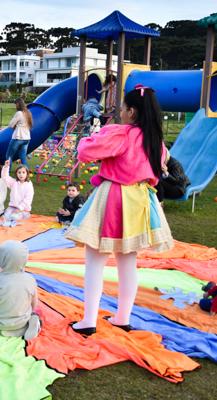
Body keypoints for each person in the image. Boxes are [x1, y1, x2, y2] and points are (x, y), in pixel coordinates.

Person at [63, 85, 173, 335]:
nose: (120, 113)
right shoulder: (156, 141)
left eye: (122, 109)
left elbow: (85, 152)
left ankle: (89, 321)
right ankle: (122, 318)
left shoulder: (121, 133)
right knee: (128, 263)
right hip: (140, 200)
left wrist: (95, 133)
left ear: (131, 111)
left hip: (114, 197)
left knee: (95, 262)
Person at [0, 241, 41, 340]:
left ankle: (6, 330)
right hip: (21, 322)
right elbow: (34, 306)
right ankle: (24, 328)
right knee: (34, 315)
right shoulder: (30, 279)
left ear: (3, 259)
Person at [5, 98, 33, 169]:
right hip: (26, 138)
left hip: (18, 137)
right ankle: (26, 175)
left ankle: (7, 173)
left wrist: (16, 127)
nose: (14, 107)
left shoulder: (19, 113)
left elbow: (10, 125)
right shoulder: (28, 113)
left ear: (17, 104)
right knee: (23, 159)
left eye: (14, 105)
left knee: (9, 156)